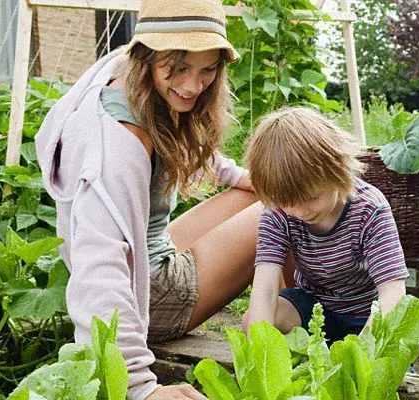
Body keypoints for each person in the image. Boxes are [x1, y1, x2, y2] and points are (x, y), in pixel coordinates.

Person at [35, 0, 261, 398]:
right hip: (149, 299)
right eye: (177, 68)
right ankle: (296, 321)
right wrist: (140, 387)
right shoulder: (118, 147)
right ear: (148, 55)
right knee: (285, 208)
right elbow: (99, 265)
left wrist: (237, 176)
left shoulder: (123, 72)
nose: (193, 86)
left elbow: (184, 145)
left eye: (208, 69)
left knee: (265, 192)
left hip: (150, 256)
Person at [242, 107, 410, 343]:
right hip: (315, 311)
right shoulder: (277, 213)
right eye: (288, 203)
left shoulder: (370, 209)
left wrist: (359, 355)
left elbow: (392, 293)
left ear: (338, 172)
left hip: (368, 315)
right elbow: (265, 287)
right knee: (258, 320)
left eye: (312, 198)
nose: (301, 212)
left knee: (391, 366)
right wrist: (259, 352)